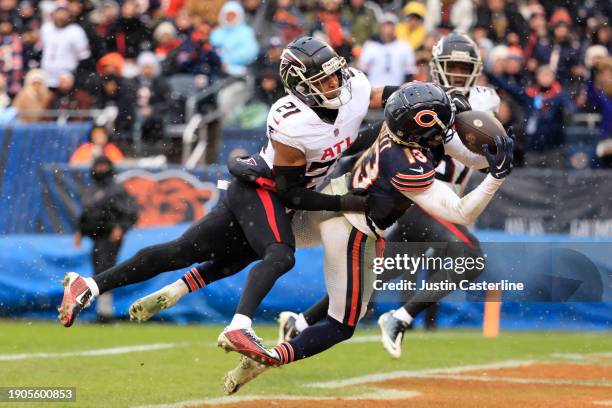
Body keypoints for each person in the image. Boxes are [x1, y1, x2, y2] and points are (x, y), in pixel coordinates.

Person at [57, 37, 389, 345]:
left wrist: (410, 108)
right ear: (300, 86)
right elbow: (291, 195)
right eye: (323, 80)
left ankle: (89, 285)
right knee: (280, 254)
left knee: (185, 252)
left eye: (335, 75)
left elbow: (366, 117)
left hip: (260, 195)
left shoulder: (353, 89)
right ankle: (239, 326)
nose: (334, 84)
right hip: (261, 190)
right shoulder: (294, 122)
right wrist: (345, 202)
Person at [223, 82, 513, 393]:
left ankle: (263, 312)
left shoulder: (394, 129)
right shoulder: (409, 165)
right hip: (353, 227)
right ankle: (272, 357)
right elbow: (461, 212)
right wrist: (496, 177)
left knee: (274, 246)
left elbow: (453, 146)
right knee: (342, 325)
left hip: (336, 196)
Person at [278, 32, 503, 359]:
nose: (456, 74)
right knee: (470, 256)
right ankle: (399, 318)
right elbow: (380, 132)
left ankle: (300, 321)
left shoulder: (485, 100)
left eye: (462, 67)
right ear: (436, 66)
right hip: (415, 197)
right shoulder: (422, 95)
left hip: (435, 200)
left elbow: (486, 149)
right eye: (450, 66)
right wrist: (336, 147)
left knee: (375, 274)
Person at [72, 156, 138, 322]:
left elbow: (129, 212)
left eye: (103, 166)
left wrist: (120, 227)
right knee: (98, 270)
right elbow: (87, 213)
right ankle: (102, 311)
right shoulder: (92, 190)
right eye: (98, 166)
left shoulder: (116, 189)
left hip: (109, 235)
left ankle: (105, 312)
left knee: (105, 269)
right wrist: (80, 230)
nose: (100, 170)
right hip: (96, 236)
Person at [40, 4, 90, 89]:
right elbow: (41, 49)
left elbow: (84, 56)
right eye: (58, 15)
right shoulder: (46, 28)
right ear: (53, 15)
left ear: (69, 16)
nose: (60, 18)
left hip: (66, 75)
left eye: (63, 15)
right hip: (46, 74)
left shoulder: (76, 31)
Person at [358, 13, 415, 87]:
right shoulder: (370, 45)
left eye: (390, 25)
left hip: (396, 90)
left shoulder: (405, 47)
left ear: (395, 28)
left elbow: (409, 73)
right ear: (381, 27)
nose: (388, 29)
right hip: (374, 89)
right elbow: (362, 71)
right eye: (386, 25)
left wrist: (403, 89)